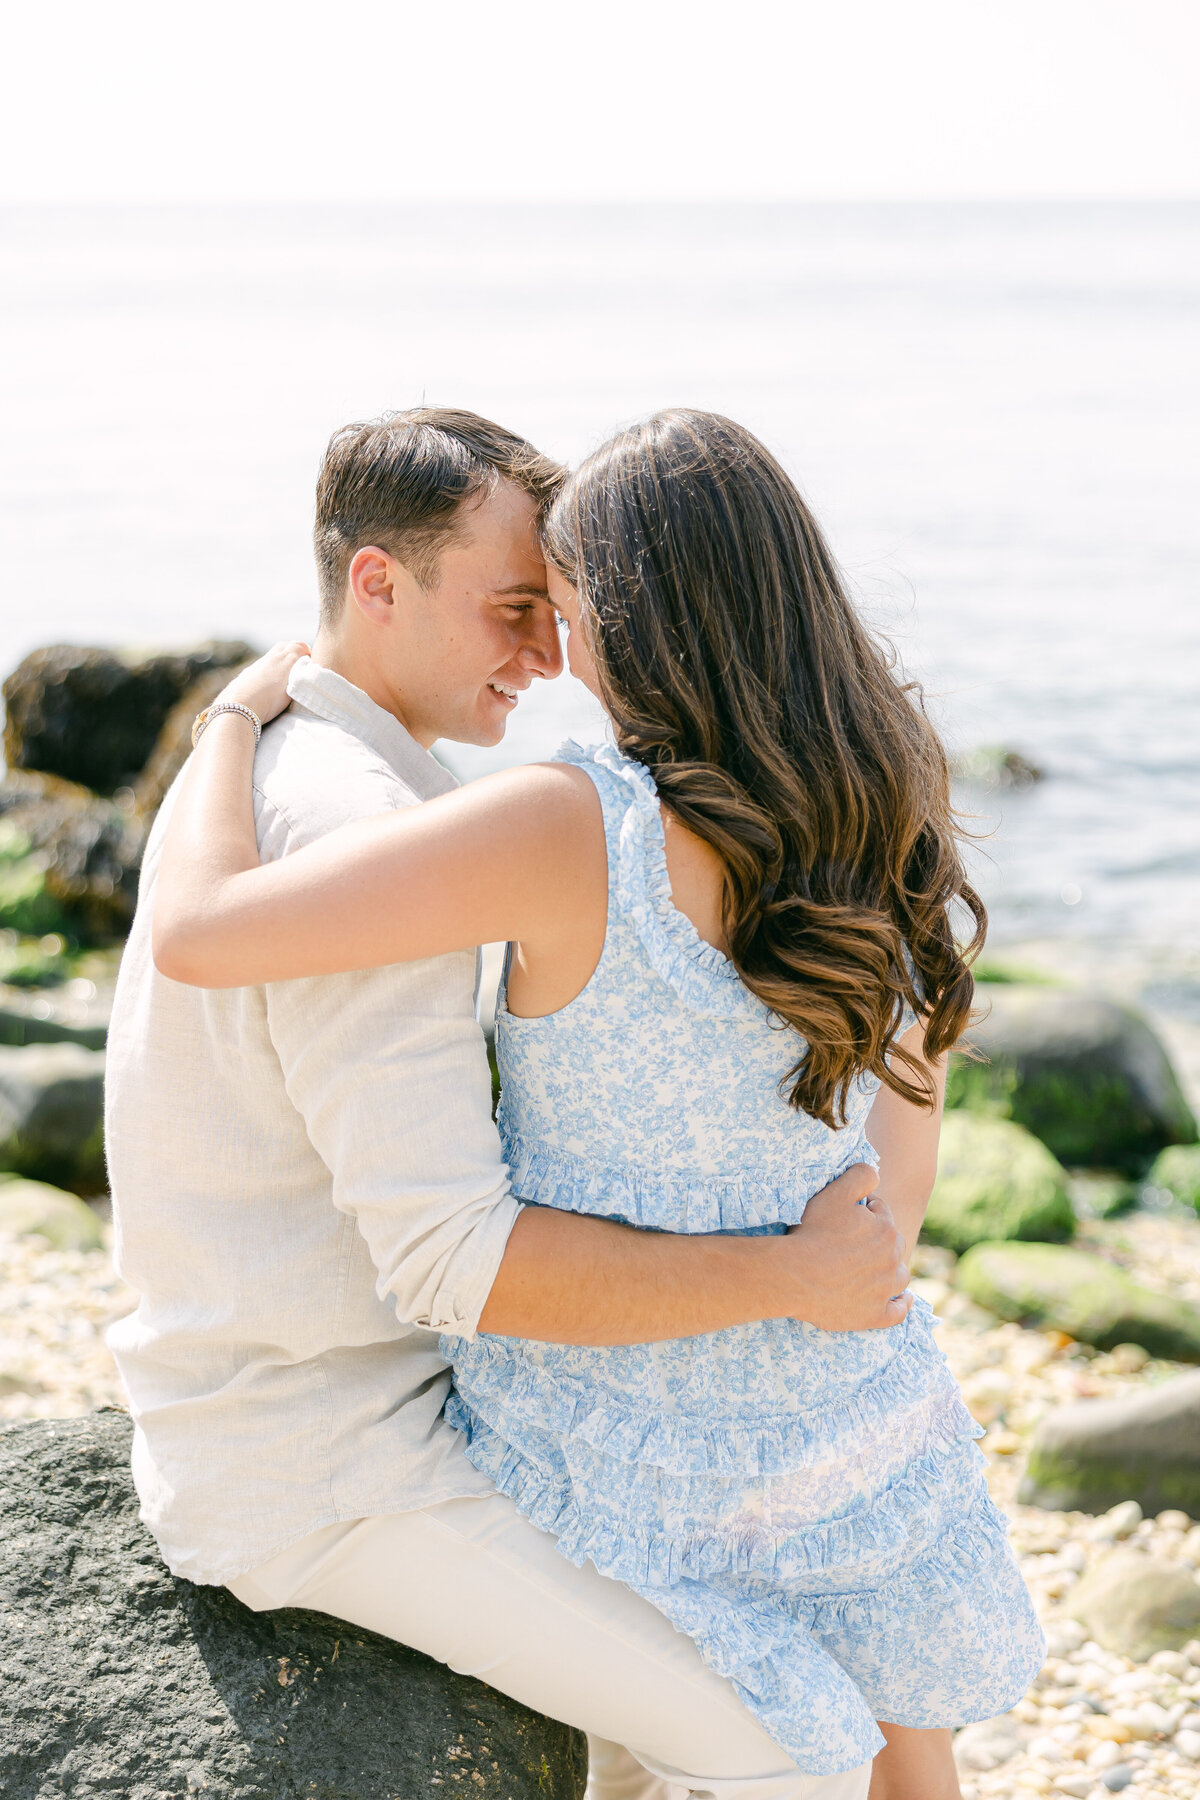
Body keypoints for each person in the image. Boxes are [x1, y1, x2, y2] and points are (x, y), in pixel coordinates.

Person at [153, 408, 1045, 1800]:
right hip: (841, 1390)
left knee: (739, 1739)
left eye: (561, 608)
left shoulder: (566, 825)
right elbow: (906, 1121)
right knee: (906, 1742)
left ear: (638, 618)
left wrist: (226, 720)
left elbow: (203, 929)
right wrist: (838, 1273)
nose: (553, 654)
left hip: (619, 1421)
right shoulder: (881, 785)